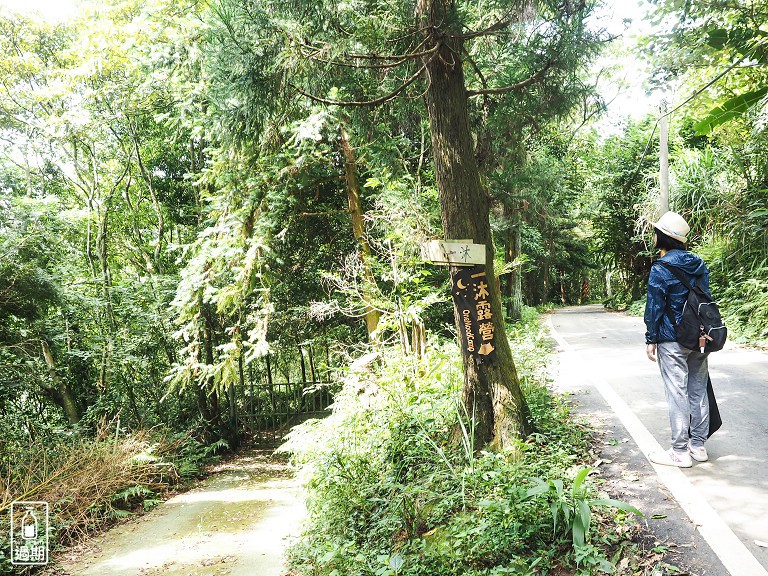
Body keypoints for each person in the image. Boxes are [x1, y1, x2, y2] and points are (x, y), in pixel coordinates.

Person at [644, 211, 711, 468]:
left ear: (662, 237)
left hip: (672, 339)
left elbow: (655, 307)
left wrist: (651, 338)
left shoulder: (660, 268)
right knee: (697, 389)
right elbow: (705, 297)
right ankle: (698, 446)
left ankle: (680, 451)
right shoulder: (698, 263)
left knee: (677, 393)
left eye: (656, 232)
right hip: (700, 337)